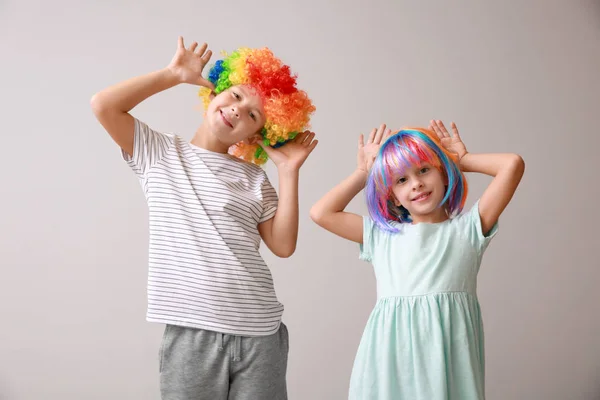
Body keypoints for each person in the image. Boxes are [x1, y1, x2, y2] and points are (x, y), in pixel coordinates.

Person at [91, 36, 317, 400]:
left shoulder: (254, 178)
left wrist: (288, 171)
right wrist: (172, 74)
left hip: (260, 331)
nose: (238, 110)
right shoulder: (159, 153)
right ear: (216, 91)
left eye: (254, 115)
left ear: (259, 134)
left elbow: (283, 245)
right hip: (193, 331)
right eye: (238, 95)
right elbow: (104, 105)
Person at [310, 120, 524, 399]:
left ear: (445, 173)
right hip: (388, 364)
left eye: (424, 170)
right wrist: (364, 172)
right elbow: (321, 213)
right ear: (394, 197)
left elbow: (513, 165)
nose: (417, 183)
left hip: (448, 362)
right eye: (401, 179)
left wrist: (463, 160)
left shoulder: (469, 229)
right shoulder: (381, 237)